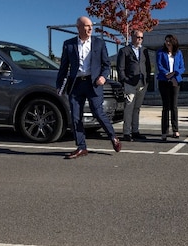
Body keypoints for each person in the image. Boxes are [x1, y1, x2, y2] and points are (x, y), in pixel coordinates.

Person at [55, 16, 122, 159]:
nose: (90, 28)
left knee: (98, 112)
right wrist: (59, 85)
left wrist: (103, 76)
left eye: (91, 25)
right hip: (76, 84)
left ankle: (113, 137)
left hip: (93, 84)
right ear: (78, 27)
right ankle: (81, 147)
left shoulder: (99, 43)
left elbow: (106, 64)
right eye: (87, 26)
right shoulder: (69, 44)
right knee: (75, 116)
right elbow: (63, 67)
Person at [116, 29, 151, 142]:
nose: (139, 40)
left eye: (141, 38)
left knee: (137, 108)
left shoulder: (144, 51)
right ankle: (126, 132)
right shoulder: (124, 50)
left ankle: (135, 131)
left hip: (142, 83)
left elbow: (148, 66)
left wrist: (147, 79)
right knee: (129, 108)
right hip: (130, 83)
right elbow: (120, 68)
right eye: (138, 37)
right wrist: (124, 80)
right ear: (132, 37)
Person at [156, 34, 185, 141]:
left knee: (174, 106)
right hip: (164, 81)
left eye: (169, 41)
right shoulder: (160, 52)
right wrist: (168, 74)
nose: (167, 43)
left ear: (173, 42)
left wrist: (174, 74)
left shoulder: (179, 53)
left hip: (175, 81)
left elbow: (182, 67)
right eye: (166, 41)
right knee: (165, 107)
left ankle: (175, 130)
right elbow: (159, 66)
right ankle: (164, 131)